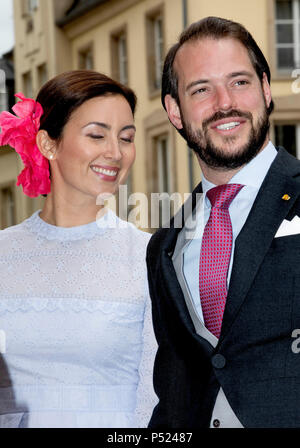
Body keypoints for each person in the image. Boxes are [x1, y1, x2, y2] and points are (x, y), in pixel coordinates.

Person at [146, 16, 300, 428]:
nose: (224, 102)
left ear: (266, 89)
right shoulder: (164, 248)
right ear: (175, 111)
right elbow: (177, 389)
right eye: (201, 89)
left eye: (240, 82)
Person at [0, 70, 157, 428]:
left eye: (127, 138)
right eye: (97, 135)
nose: (116, 153)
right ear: (48, 144)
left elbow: (156, 398)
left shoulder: (148, 258)